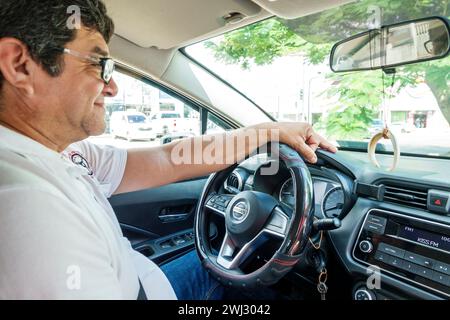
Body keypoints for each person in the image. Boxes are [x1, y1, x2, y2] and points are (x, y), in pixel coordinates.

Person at [0, 0, 337, 300]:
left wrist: (271, 131)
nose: (113, 86)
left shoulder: (61, 152)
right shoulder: (28, 203)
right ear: (19, 65)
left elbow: (166, 159)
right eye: (99, 64)